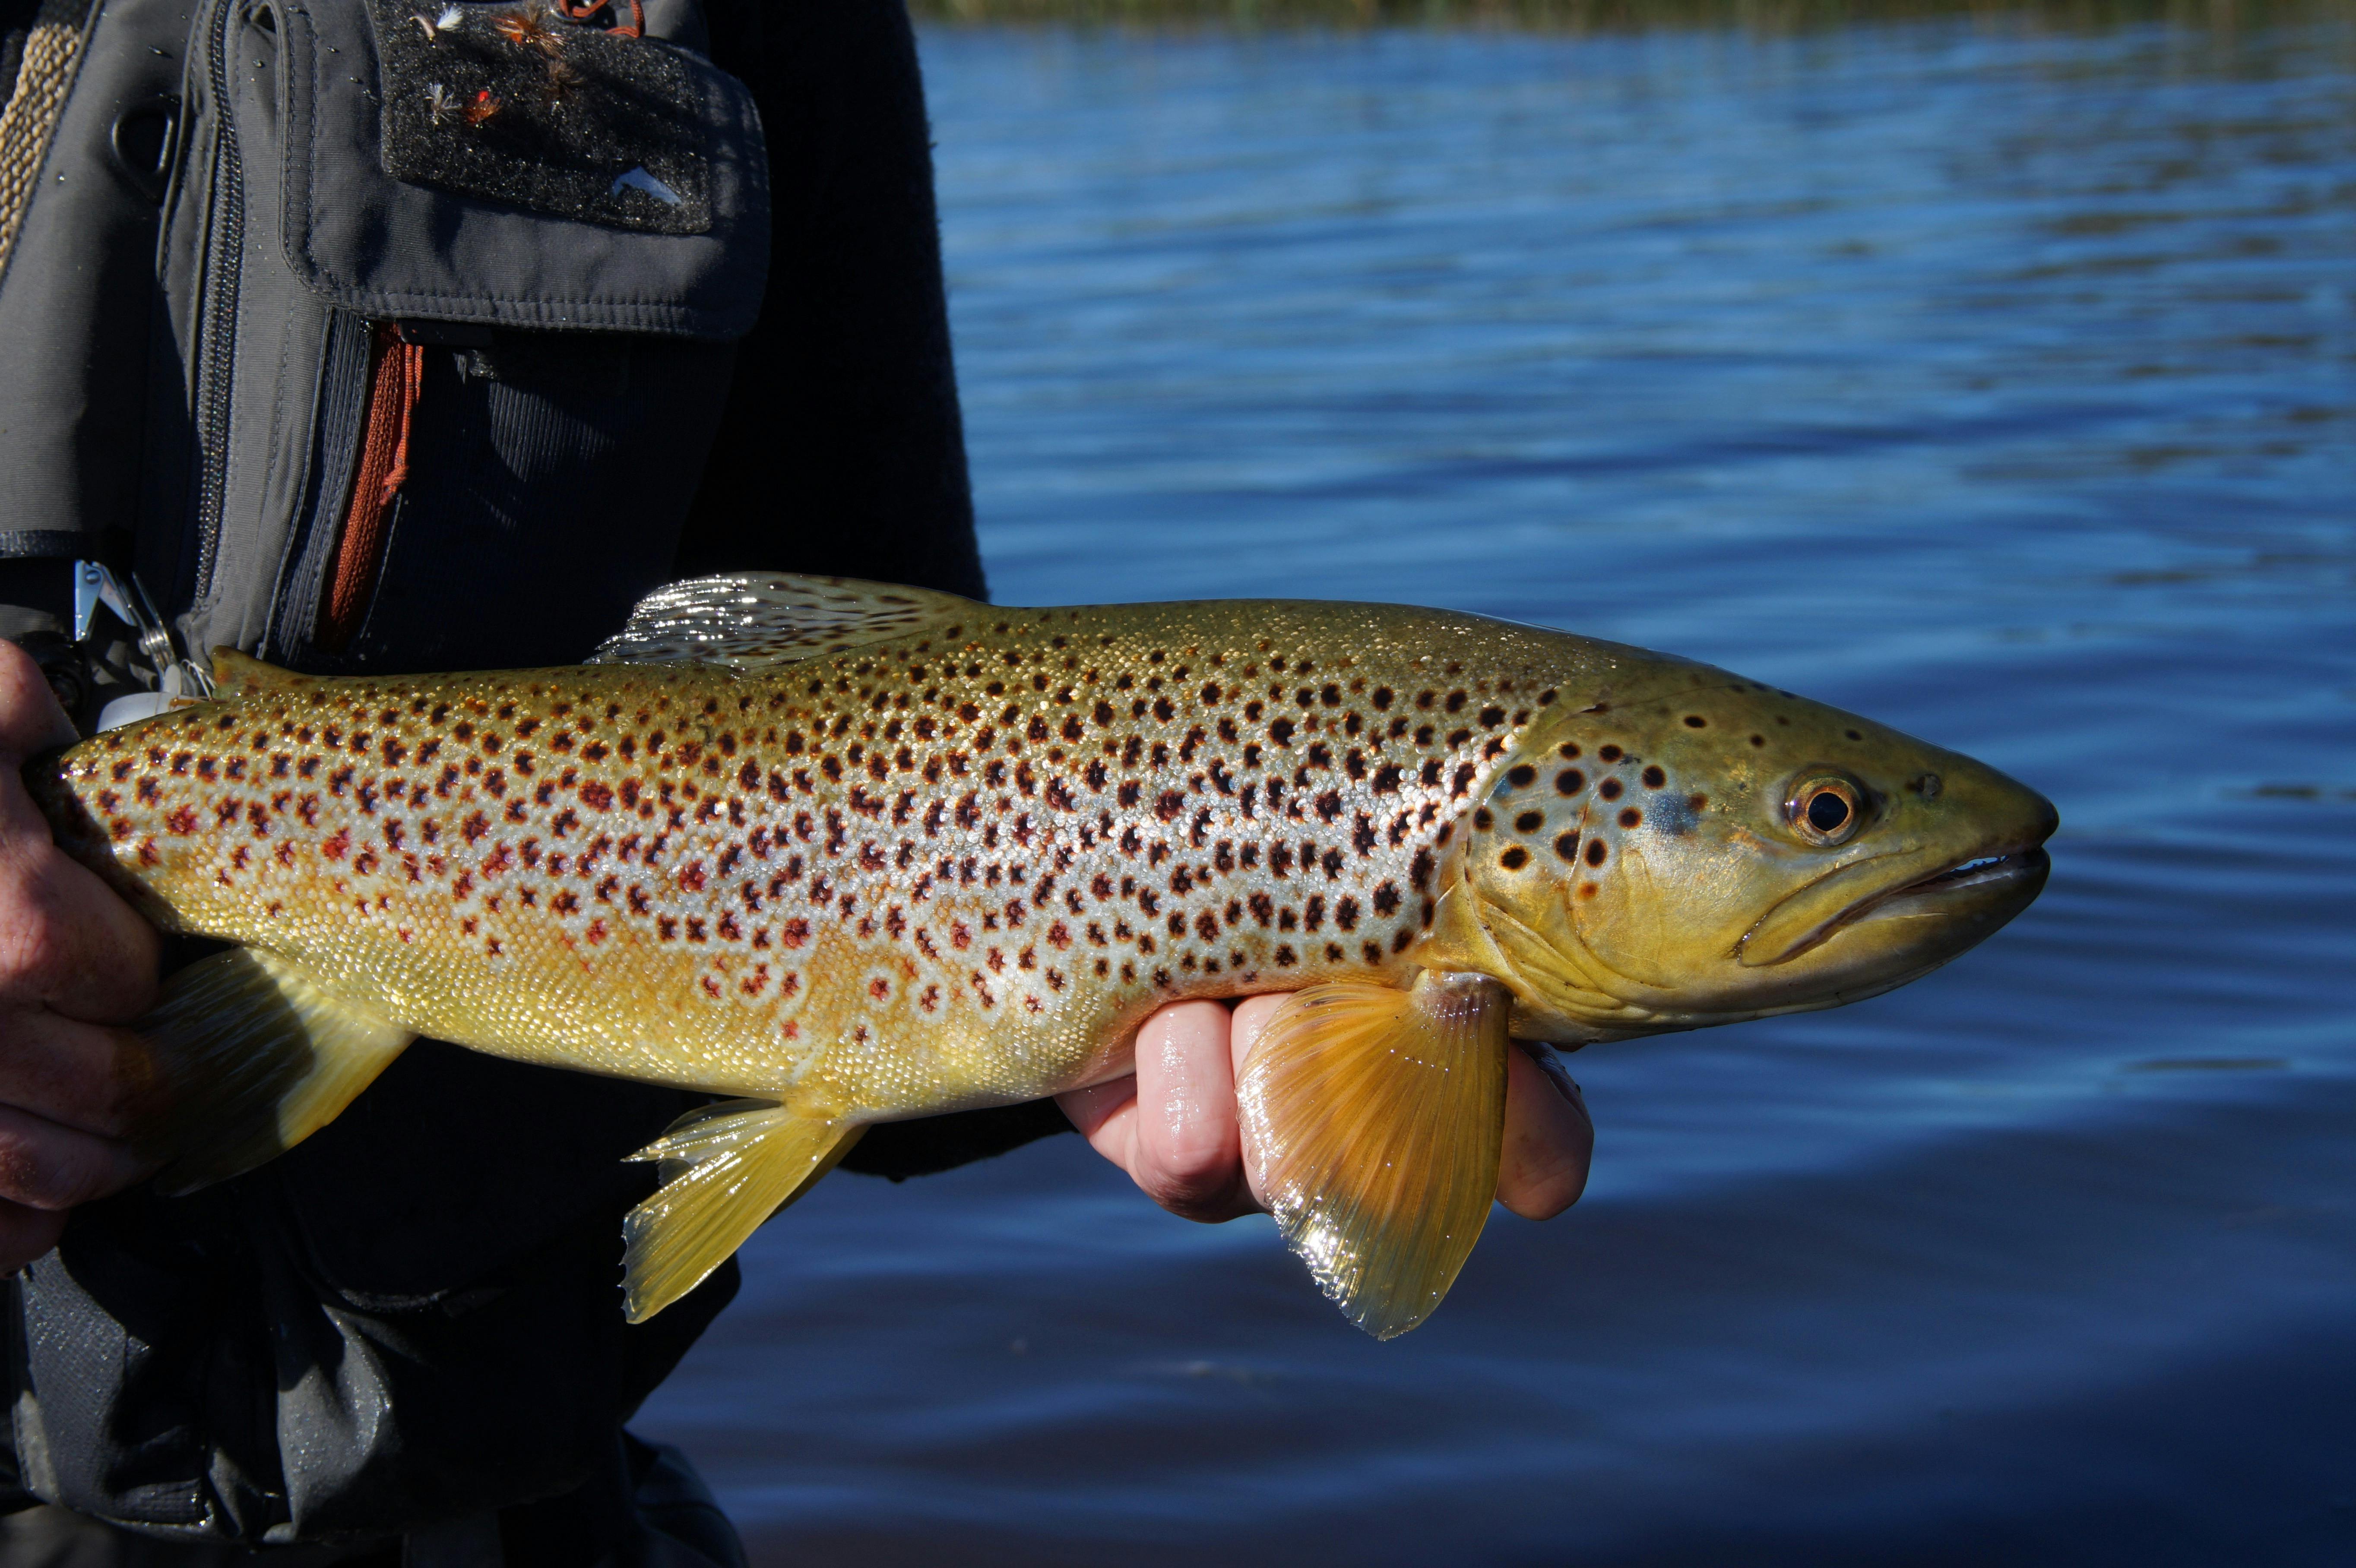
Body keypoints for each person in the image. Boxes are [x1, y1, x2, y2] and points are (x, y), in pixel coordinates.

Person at [0, 0, 1593, 1557]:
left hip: (482, 1458)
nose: (1839, 863)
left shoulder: (769, 23)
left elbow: (863, 661)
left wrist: (1024, 1045)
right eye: (1821, 822)